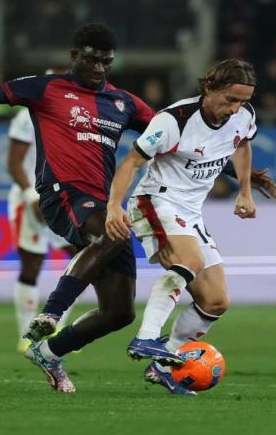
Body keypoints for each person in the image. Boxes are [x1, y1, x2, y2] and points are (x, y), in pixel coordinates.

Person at [0, 23, 276, 393]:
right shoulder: (46, 88)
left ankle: (49, 352)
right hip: (62, 193)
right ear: (75, 56)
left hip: (102, 202)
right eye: (91, 60)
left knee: (119, 312)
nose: (99, 68)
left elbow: (180, 143)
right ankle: (52, 312)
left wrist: (241, 175)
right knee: (111, 233)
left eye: (106, 61)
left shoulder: (123, 103)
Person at [106, 59, 258, 395]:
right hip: (155, 200)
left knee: (216, 301)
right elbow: (131, 162)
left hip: (191, 212)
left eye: (243, 101)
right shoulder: (173, 121)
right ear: (209, 88)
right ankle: (147, 337)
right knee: (191, 261)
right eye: (230, 99)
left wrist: (245, 191)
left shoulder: (244, 116)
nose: (236, 109)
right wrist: (113, 206)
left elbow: (242, 144)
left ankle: (162, 364)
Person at [6, 105, 77, 353]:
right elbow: (14, 162)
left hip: (64, 197)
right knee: (32, 264)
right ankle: (26, 335)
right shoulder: (28, 115)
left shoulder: (78, 112)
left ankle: (57, 328)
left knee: (82, 259)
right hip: (31, 198)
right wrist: (30, 196)